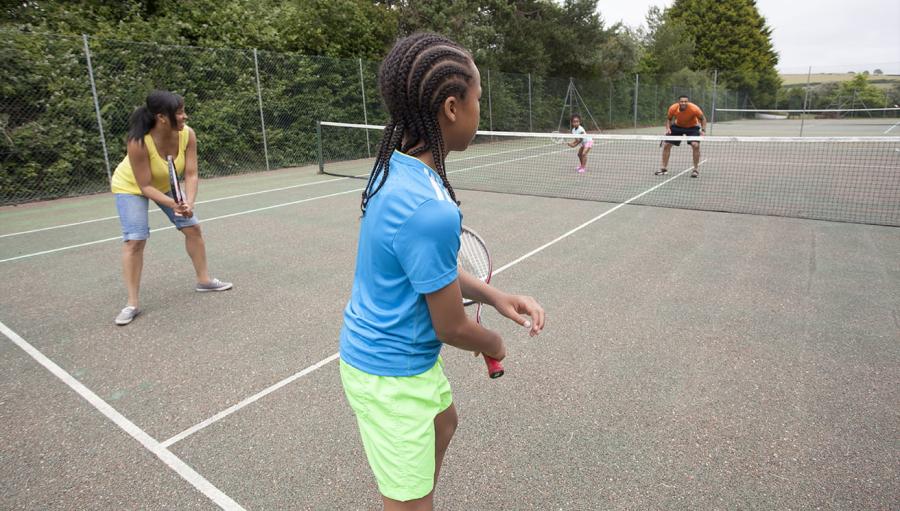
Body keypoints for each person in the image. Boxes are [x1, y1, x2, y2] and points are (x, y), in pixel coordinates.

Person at [339, 33, 545, 510]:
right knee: (410, 501)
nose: (480, 110)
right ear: (453, 107)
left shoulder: (393, 169)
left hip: (392, 361)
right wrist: (493, 342)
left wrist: (494, 296)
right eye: (478, 99)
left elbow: (429, 271)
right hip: (391, 375)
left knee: (444, 423)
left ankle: (410, 493)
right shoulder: (431, 211)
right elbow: (450, 326)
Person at [110, 90, 232, 326]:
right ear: (162, 117)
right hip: (131, 186)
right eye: (179, 113)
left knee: (193, 228)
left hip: (166, 183)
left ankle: (204, 280)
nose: (185, 117)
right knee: (135, 240)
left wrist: (189, 203)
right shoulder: (138, 142)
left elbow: (191, 173)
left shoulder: (187, 135)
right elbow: (144, 185)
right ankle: (132, 303)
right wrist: (174, 204)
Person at [656, 95, 707, 178]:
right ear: (678, 102)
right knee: (666, 145)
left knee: (695, 145)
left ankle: (695, 170)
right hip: (677, 126)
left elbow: (703, 119)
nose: (683, 103)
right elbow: (669, 119)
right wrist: (668, 128)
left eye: (685, 101)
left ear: (688, 102)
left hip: (692, 127)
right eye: (682, 101)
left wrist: (703, 130)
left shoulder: (694, 108)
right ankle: (663, 169)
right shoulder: (673, 108)